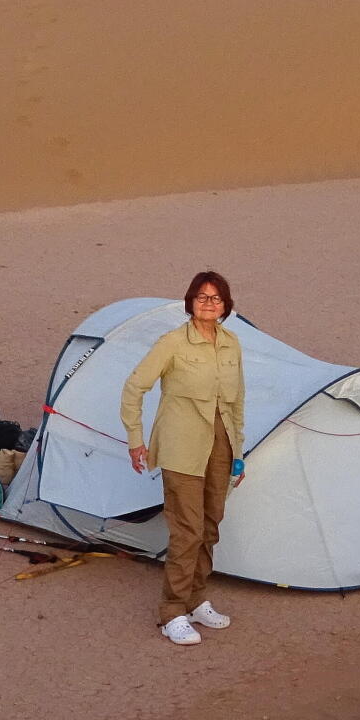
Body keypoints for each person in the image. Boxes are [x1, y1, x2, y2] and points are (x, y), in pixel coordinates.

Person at [120, 270, 246, 646]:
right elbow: (134, 387)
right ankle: (172, 611)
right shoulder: (172, 343)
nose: (209, 303)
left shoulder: (231, 343)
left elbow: (237, 401)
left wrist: (238, 452)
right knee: (187, 530)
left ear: (226, 306)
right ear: (190, 301)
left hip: (220, 446)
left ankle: (195, 599)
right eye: (202, 297)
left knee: (210, 525)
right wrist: (135, 439)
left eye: (216, 298)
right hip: (181, 448)